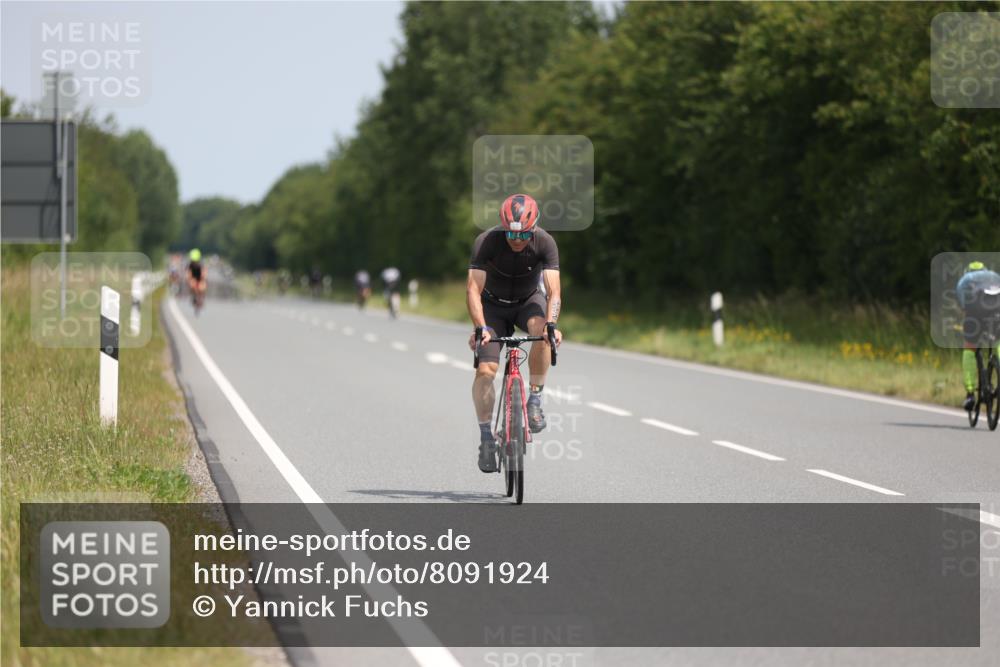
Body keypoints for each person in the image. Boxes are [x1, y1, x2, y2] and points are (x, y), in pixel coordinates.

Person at [466, 193, 562, 473]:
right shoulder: (486, 242)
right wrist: (481, 327)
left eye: (523, 235)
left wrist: (552, 324)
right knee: (486, 370)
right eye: (510, 233)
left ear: (534, 229)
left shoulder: (545, 242)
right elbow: (473, 289)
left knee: (542, 333)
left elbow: (554, 291)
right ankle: (486, 437)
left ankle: (534, 400)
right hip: (493, 306)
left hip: (528, 302)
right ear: (502, 225)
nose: (517, 240)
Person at [956, 260, 1000, 411]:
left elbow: (962, 301)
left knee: (969, 348)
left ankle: (970, 394)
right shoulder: (994, 276)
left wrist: (965, 310)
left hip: (975, 313)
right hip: (997, 311)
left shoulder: (966, 279)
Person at [186, 248, 207, 313]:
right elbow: (188, 273)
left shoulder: (201, 264)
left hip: (200, 278)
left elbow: (204, 272)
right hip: (193, 278)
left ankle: (201, 299)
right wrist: (188, 278)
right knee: (192, 286)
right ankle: (193, 297)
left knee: (202, 288)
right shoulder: (190, 265)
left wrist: (203, 276)